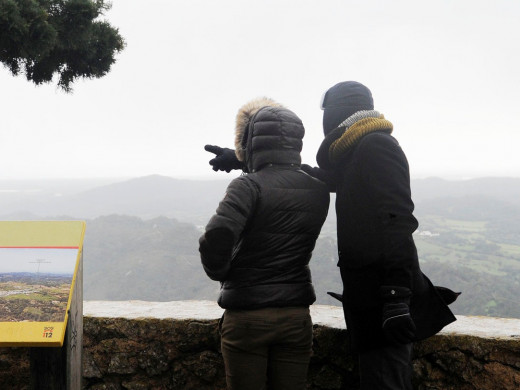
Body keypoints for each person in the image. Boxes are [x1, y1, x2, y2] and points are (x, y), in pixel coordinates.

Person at [204, 82, 460, 390]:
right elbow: (310, 176)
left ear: (338, 113)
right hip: (367, 304)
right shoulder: (357, 152)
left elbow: (398, 222)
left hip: (384, 305)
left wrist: (396, 297)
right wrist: (243, 158)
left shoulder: (377, 146)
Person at [199, 97, 330, 390]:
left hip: (247, 317)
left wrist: (222, 272)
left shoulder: (247, 186)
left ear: (251, 140)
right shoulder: (319, 190)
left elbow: (217, 236)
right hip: (296, 317)